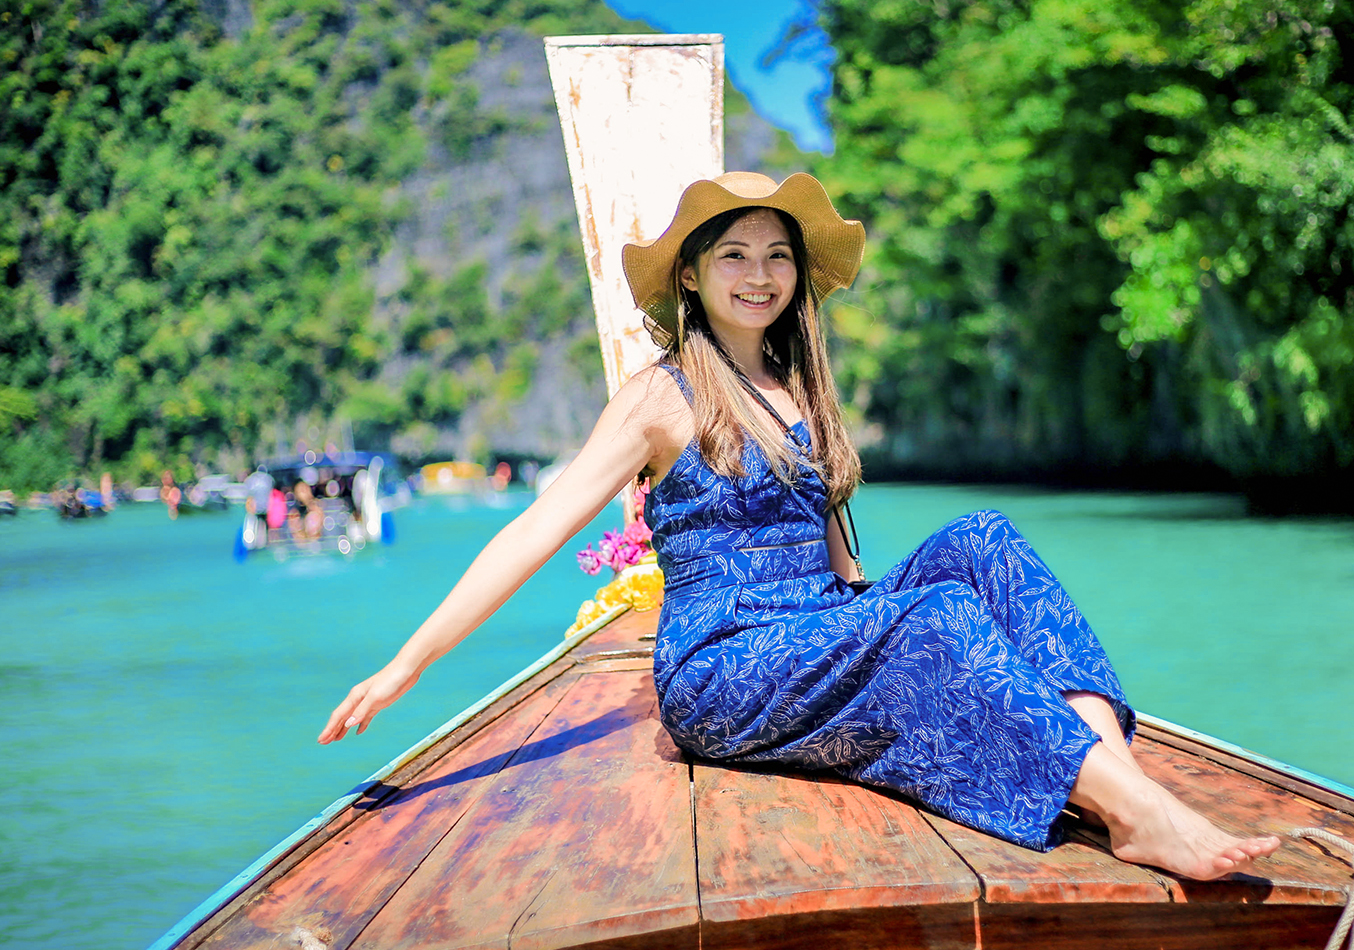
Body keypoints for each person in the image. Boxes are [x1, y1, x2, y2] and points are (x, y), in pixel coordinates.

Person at [319, 172, 1279, 880]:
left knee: (983, 540)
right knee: (932, 619)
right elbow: (534, 528)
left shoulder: (801, 385)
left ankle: (1115, 776)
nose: (759, 273)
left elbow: (834, 545)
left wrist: (865, 613)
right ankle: (1135, 808)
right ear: (691, 278)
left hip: (815, 624)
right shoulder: (660, 397)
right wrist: (407, 666)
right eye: (733, 254)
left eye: (777, 254)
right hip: (725, 665)